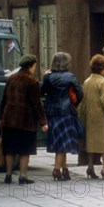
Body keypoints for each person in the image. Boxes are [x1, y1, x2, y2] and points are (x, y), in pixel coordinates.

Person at [0, 54, 48, 184]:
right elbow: (37, 103)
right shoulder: (32, 81)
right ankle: (23, 175)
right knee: (24, 150)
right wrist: (43, 121)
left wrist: (1, 117)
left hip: (9, 120)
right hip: (25, 121)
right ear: (31, 65)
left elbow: (4, 100)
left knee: (9, 149)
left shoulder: (11, 79)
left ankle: (8, 175)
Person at [41, 52, 84, 181]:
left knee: (59, 141)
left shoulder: (48, 77)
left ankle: (65, 169)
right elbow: (80, 93)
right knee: (63, 142)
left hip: (52, 112)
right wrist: (73, 104)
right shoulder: (70, 76)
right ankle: (57, 170)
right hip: (66, 112)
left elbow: (41, 92)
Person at [78, 54, 104, 180]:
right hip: (102, 117)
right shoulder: (103, 83)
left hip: (89, 117)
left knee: (90, 143)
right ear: (101, 68)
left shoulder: (87, 81)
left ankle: (90, 167)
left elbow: (82, 103)